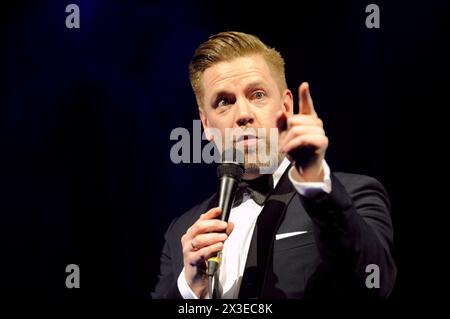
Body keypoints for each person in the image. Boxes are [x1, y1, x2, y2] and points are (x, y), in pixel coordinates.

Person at [152, 31, 396, 299]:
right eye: (224, 102)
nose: (243, 115)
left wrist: (316, 185)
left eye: (257, 95)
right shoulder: (182, 231)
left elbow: (376, 285)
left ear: (286, 106)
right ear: (207, 124)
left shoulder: (351, 194)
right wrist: (188, 288)